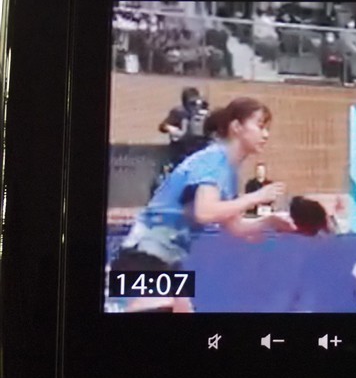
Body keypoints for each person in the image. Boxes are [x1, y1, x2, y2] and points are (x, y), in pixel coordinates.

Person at [111, 97, 295, 312]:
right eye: (260, 126)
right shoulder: (213, 160)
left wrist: (270, 221)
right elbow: (205, 212)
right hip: (143, 255)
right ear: (236, 127)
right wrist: (255, 197)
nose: (266, 135)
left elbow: (235, 226)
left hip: (167, 260)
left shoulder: (228, 171)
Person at [158, 87, 210, 167]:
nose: (194, 107)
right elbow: (162, 126)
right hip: (182, 150)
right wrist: (173, 130)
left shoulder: (203, 112)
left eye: (195, 103)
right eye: (191, 103)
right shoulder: (179, 113)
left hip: (199, 149)